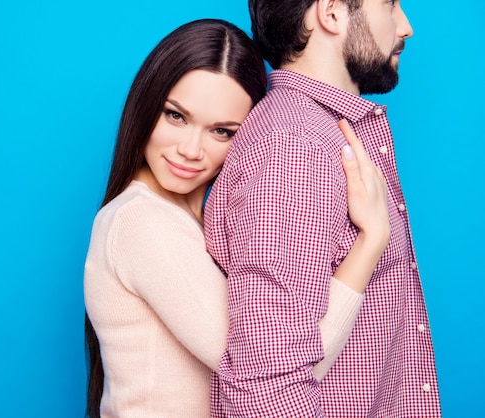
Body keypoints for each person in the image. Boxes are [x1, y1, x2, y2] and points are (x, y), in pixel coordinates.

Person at [84, 18, 389, 418]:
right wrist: (370, 242)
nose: (191, 150)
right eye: (176, 116)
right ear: (146, 104)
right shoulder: (141, 221)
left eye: (222, 132)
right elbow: (269, 372)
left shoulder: (193, 223)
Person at [205, 0, 441, 416]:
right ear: (331, 12)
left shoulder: (323, 134)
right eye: (389, 4)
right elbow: (266, 387)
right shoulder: (294, 149)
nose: (406, 26)